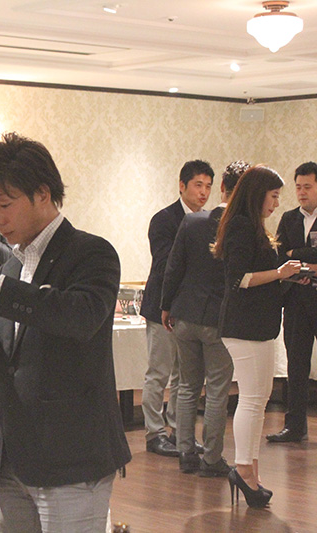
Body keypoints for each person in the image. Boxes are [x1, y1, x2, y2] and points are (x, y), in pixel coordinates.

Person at [0, 133, 131, 532]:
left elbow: (80, 317)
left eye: (5, 205)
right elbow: (6, 361)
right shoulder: (12, 267)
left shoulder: (92, 253)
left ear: (43, 194)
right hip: (13, 454)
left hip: (70, 455)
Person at [212, 165, 303, 508]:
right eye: (274, 196)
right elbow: (239, 279)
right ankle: (243, 469)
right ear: (257, 194)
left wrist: (286, 277)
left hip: (258, 325)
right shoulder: (240, 225)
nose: (277, 203)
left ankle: (251, 469)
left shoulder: (252, 226)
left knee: (259, 399)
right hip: (244, 326)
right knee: (252, 399)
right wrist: (279, 273)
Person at [161, 160, 249, 477]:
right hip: (219, 319)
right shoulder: (244, 227)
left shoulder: (192, 221)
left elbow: (174, 267)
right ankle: (211, 459)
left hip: (185, 313)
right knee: (216, 391)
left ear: (221, 187)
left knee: (187, 387)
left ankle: (185, 452)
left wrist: (166, 306)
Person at [141, 160, 214, 457]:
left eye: (208, 186)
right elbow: (164, 263)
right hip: (162, 304)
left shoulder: (209, 221)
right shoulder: (164, 219)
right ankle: (154, 433)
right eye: (198, 185)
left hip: (190, 310)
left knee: (184, 376)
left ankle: (177, 432)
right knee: (158, 372)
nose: (203, 192)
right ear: (182, 186)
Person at [267, 161, 317, 443]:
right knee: (296, 365)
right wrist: (305, 259)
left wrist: (296, 254)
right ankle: (295, 425)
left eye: (307, 187)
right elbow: (279, 256)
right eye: (298, 187)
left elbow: (290, 254)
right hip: (296, 301)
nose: (301, 192)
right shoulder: (288, 219)